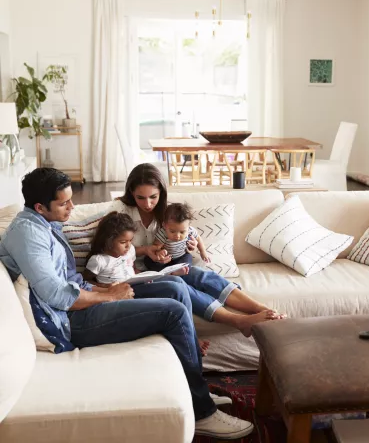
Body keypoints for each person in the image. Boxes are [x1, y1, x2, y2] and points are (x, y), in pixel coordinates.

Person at [0, 168, 253, 440]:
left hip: (82, 301)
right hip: (68, 322)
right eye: (64, 203)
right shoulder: (29, 235)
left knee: (175, 286)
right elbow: (58, 296)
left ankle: (196, 387)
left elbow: (70, 281)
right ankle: (203, 412)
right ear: (40, 206)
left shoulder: (45, 223)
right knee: (175, 312)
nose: (72, 207)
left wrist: (107, 288)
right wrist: (109, 296)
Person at [109, 163, 286, 337]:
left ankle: (263, 309)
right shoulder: (120, 212)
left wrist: (190, 245)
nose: (148, 204)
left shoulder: (167, 213)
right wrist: (146, 250)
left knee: (197, 274)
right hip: (135, 274)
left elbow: (183, 236)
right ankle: (238, 321)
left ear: (161, 192)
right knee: (180, 284)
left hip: (164, 266)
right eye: (141, 197)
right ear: (131, 193)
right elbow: (109, 248)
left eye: (153, 197)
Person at [85, 210, 210, 357]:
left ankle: (191, 337)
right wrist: (106, 288)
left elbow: (131, 267)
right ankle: (190, 341)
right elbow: (86, 280)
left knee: (177, 283)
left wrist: (141, 276)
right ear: (108, 240)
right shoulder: (99, 260)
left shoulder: (130, 250)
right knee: (172, 297)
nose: (128, 246)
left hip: (135, 285)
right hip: (119, 294)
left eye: (130, 241)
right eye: (123, 242)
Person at [145, 202, 210, 274]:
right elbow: (156, 246)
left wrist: (202, 252)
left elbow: (198, 238)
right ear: (164, 225)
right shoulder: (163, 233)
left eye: (182, 232)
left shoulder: (190, 230)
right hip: (166, 258)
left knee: (187, 260)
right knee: (148, 261)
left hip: (181, 256)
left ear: (188, 226)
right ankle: (168, 272)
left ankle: (177, 271)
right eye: (172, 231)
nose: (177, 236)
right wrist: (159, 253)